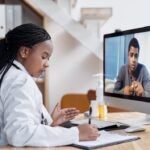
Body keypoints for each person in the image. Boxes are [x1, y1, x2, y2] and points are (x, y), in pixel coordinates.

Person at [0, 23, 99, 147]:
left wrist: (50, 122)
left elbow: (23, 126)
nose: (47, 64)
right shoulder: (20, 81)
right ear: (24, 52)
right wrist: (76, 133)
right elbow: (20, 133)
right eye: (44, 57)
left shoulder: (9, 73)